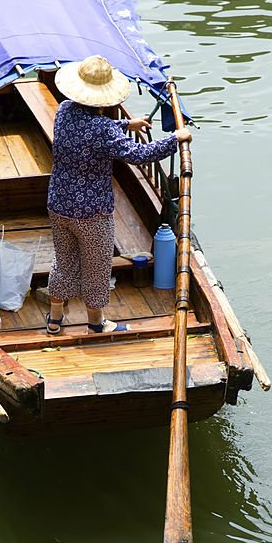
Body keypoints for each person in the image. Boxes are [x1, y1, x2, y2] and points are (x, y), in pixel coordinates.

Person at [46, 55, 192, 334]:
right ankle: (96, 323)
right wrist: (176, 139)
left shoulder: (64, 110)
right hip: (92, 213)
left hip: (59, 203)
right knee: (96, 266)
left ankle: (54, 320)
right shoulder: (102, 130)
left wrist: (127, 125)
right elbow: (139, 154)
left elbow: (90, 133)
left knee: (64, 261)